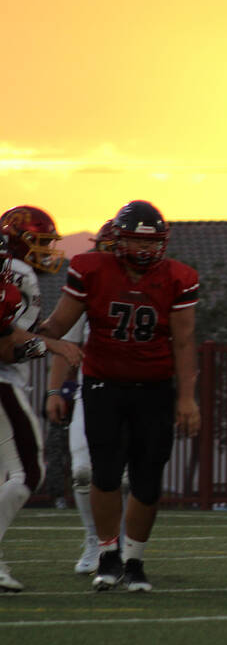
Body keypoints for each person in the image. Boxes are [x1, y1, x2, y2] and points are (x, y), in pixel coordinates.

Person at [37, 200, 200, 592]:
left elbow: (183, 341)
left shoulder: (179, 277)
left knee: (147, 480)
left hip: (155, 388)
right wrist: (26, 337)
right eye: (136, 242)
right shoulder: (91, 270)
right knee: (105, 474)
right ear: (118, 239)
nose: (145, 250)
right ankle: (108, 554)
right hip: (103, 386)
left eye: (153, 243)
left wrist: (186, 398)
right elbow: (59, 324)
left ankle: (135, 560)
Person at [0, 229, 81, 592]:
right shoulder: (17, 274)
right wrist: (52, 346)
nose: (47, 250)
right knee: (28, 472)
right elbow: (8, 348)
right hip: (3, 381)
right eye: (42, 241)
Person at [46, 220, 120, 575]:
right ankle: (95, 540)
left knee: (125, 476)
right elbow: (65, 345)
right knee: (82, 471)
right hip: (94, 392)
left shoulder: (157, 285)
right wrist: (54, 390)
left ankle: (124, 547)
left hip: (141, 395)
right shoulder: (89, 284)